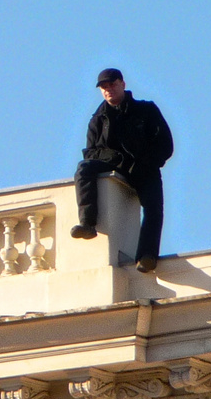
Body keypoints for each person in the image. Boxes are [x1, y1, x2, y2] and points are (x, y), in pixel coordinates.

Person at [70, 68, 174, 273]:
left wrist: (147, 163)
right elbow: (90, 152)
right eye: (104, 87)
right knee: (84, 169)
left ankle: (146, 256)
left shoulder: (146, 110)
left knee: (153, 209)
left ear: (122, 84)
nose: (108, 90)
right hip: (114, 166)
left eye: (112, 85)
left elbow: (165, 144)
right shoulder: (98, 119)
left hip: (144, 167)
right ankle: (87, 223)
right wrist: (117, 159)